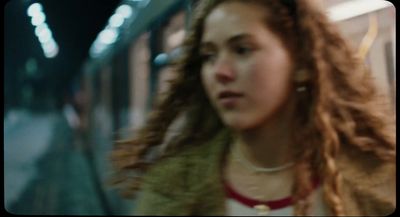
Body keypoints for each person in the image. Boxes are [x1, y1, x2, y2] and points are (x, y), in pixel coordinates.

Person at [109, 0, 396, 216]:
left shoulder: (378, 183)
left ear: (302, 64)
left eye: (242, 49)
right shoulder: (172, 189)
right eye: (208, 56)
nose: (219, 71)